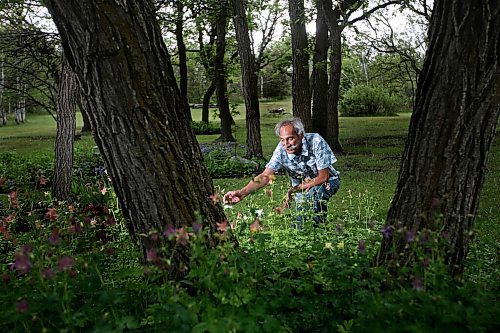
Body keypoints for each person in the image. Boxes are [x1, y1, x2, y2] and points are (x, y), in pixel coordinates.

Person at [224, 118, 340, 228]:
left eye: (290, 138)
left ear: (300, 135)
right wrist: (242, 193)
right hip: (300, 188)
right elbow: (265, 176)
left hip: (328, 182)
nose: (286, 144)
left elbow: (323, 177)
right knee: (299, 219)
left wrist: (293, 190)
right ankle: (301, 239)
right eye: (282, 139)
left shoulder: (315, 141)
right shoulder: (281, 150)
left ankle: (319, 234)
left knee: (315, 197)